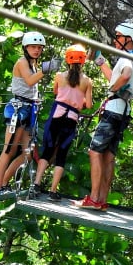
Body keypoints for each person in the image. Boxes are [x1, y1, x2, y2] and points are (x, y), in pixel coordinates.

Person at [75, 22, 133, 210]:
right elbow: (116, 76)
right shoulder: (130, 58)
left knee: (94, 152)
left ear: (128, 38)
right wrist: (100, 61)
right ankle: (102, 199)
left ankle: (94, 198)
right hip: (122, 111)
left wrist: (113, 88)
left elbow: (125, 75)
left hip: (113, 110)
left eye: (119, 35)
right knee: (108, 156)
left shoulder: (127, 59)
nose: (115, 39)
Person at [0, 31, 60, 195]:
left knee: (27, 154)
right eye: (33, 47)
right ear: (26, 48)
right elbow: (30, 81)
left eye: (39, 48)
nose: (37, 50)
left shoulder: (33, 65)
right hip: (19, 109)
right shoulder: (22, 62)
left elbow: (32, 85)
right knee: (8, 150)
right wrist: (46, 68)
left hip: (30, 110)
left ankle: (4, 183)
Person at [32, 44, 93, 201]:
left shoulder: (59, 76)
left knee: (48, 150)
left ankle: (36, 184)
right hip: (71, 118)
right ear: (83, 61)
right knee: (62, 154)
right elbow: (90, 105)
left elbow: (56, 92)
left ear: (68, 59)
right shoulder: (87, 81)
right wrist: (80, 100)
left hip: (57, 115)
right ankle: (53, 191)